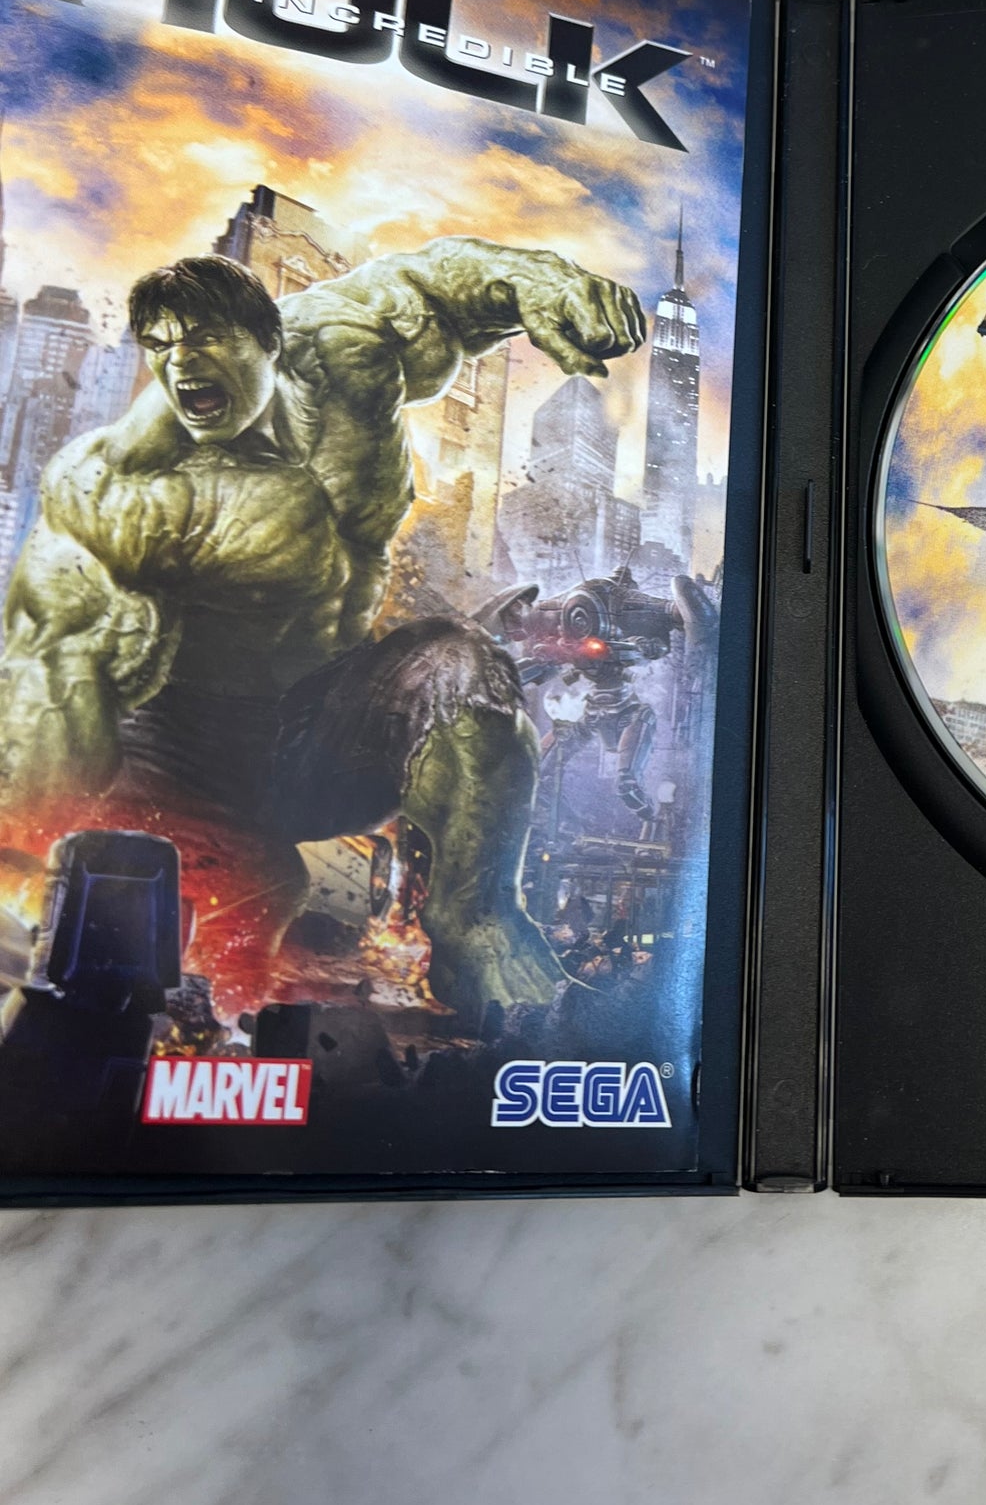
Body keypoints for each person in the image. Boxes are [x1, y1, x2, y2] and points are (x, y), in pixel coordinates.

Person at [0, 239, 645, 1021]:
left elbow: (426, 288)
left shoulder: (338, 355)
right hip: (181, 773)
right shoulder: (118, 490)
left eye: (205, 339)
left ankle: (476, 919)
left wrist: (542, 282)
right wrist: (28, 863)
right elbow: (49, 673)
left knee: (463, 663)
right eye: (160, 346)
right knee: (211, 975)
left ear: (268, 338)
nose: (181, 364)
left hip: (322, 740)